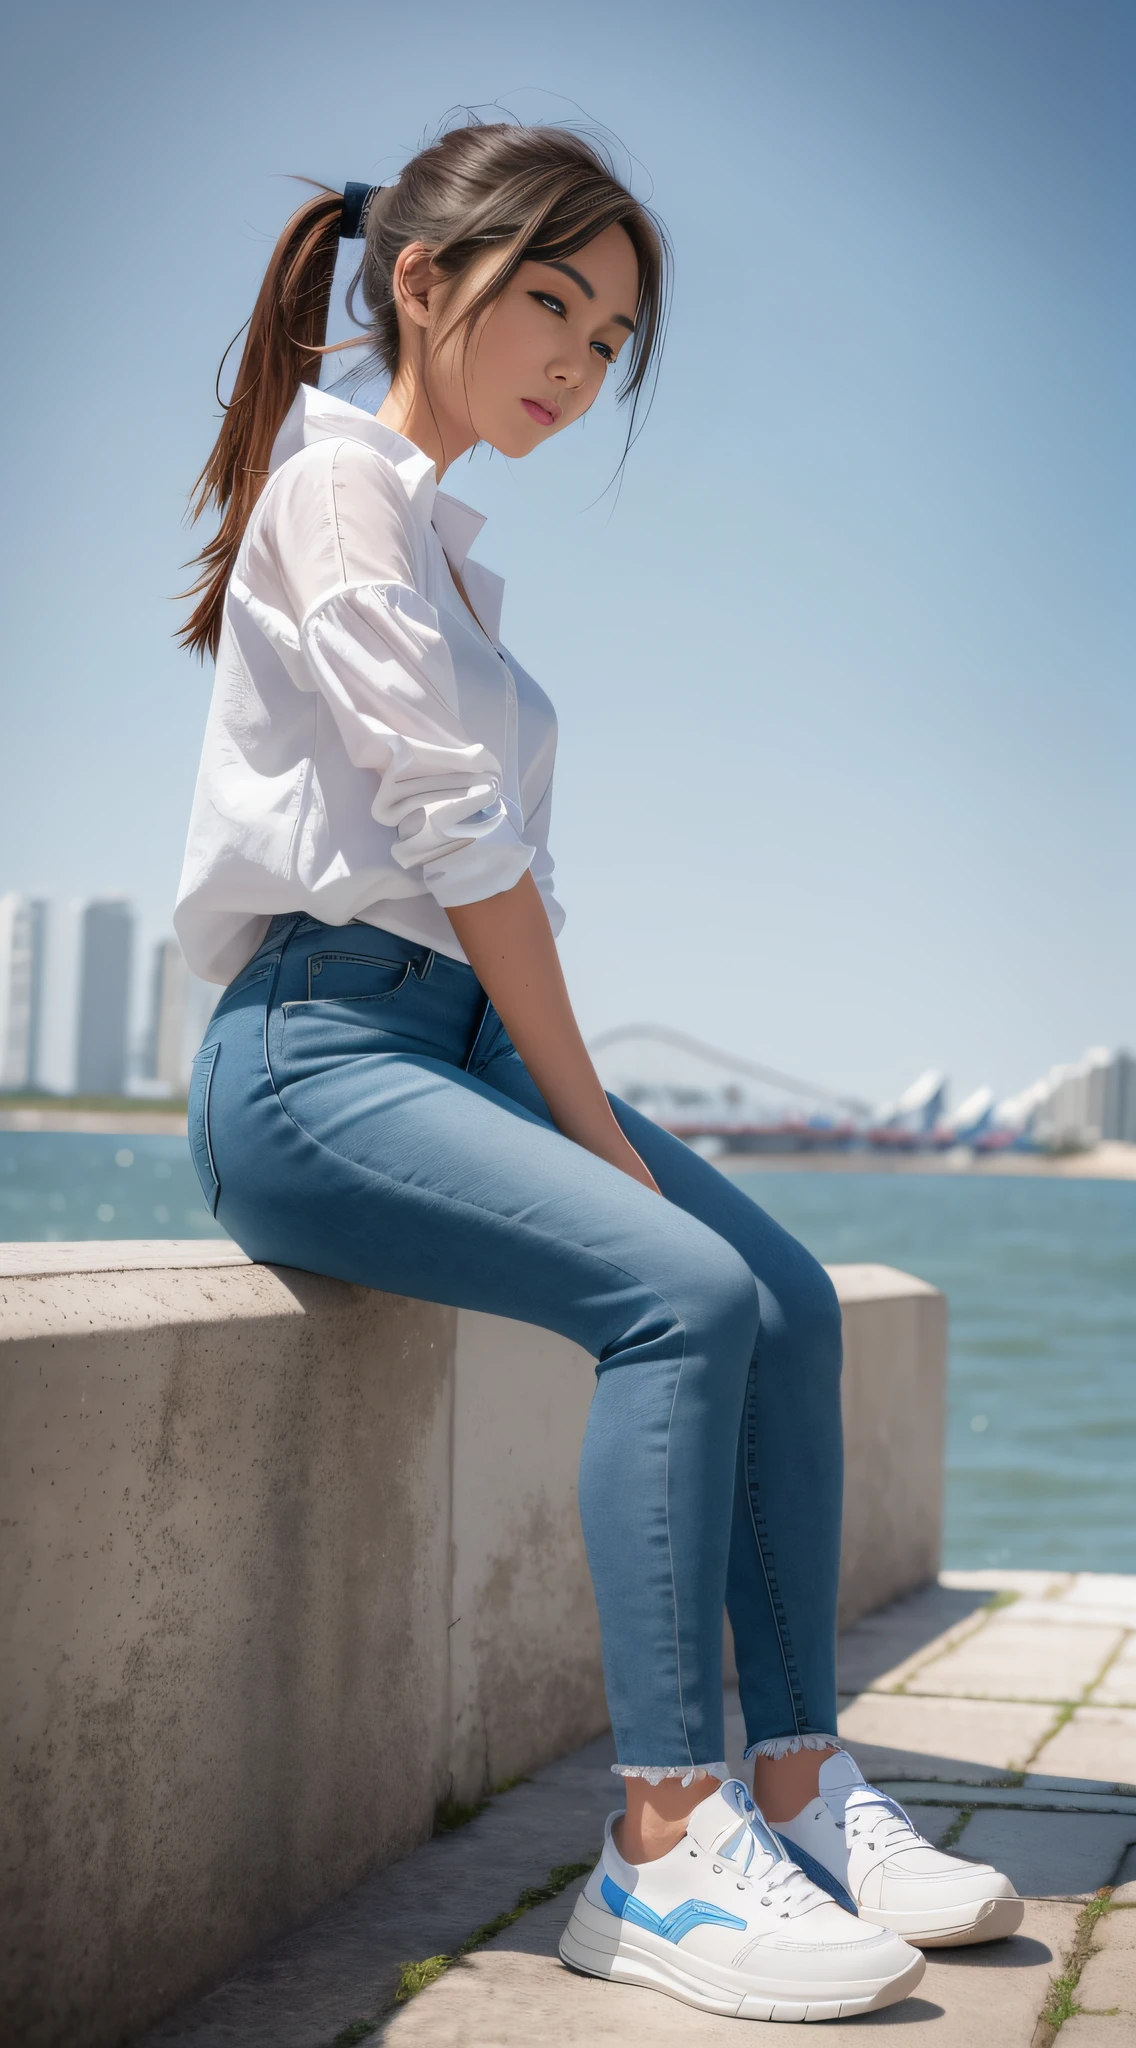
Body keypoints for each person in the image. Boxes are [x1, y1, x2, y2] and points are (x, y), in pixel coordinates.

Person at [174, 119, 1021, 2024]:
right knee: (679, 1286)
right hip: (313, 1057)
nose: (578, 356)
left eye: (612, 334)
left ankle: (799, 1785)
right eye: (549, 299)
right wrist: (585, 1123)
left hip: (449, 1049)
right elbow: (461, 855)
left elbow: (494, 879)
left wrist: (546, 1090)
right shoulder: (339, 489)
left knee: (788, 1300)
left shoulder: (448, 551)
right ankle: (653, 1855)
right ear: (420, 281)